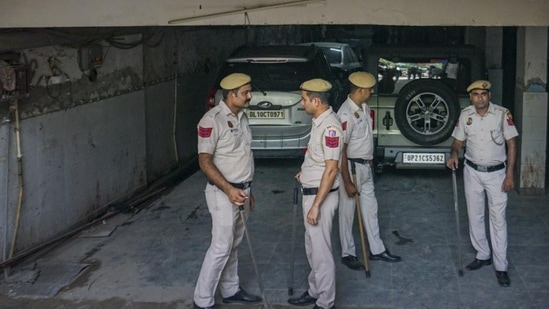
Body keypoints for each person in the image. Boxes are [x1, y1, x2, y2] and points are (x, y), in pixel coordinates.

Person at [193, 73, 261, 309]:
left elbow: (242, 156)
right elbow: (204, 161)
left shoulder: (242, 117)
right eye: (246, 92)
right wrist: (230, 189)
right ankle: (202, 300)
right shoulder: (212, 120)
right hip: (223, 194)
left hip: (241, 192)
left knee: (233, 244)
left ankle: (230, 289)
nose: (250, 96)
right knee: (221, 247)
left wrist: (247, 189)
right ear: (231, 95)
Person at [446, 80, 518, 288]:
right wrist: (453, 154)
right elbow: (458, 141)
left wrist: (510, 175)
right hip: (472, 171)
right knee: (475, 215)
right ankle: (483, 254)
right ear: (471, 97)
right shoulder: (466, 114)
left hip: (497, 174)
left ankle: (501, 266)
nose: (480, 98)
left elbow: (511, 144)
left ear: (489, 95)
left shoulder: (503, 114)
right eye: (476, 94)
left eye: (483, 94)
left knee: (498, 219)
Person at [337, 72, 401, 271]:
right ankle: (348, 253)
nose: (372, 91)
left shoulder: (364, 107)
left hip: (365, 167)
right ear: (360, 90)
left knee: (371, 209)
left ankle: (377, 249)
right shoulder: (345, 114)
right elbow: (340, 150)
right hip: (351, 168)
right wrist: (346, 181)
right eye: (370, 89)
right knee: (347, 213)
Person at [288, 78, 343, 309]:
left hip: (321, 197)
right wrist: (306, 171)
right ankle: (315, 290)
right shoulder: (319, 121)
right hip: (312, 191)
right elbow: (320, 159)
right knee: (312, 249)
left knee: (321, 253)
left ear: (316, 100)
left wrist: (316, 205)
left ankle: (325, 302)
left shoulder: (330, 127)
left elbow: (331, 169)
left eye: (304, 99)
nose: (302, 104)